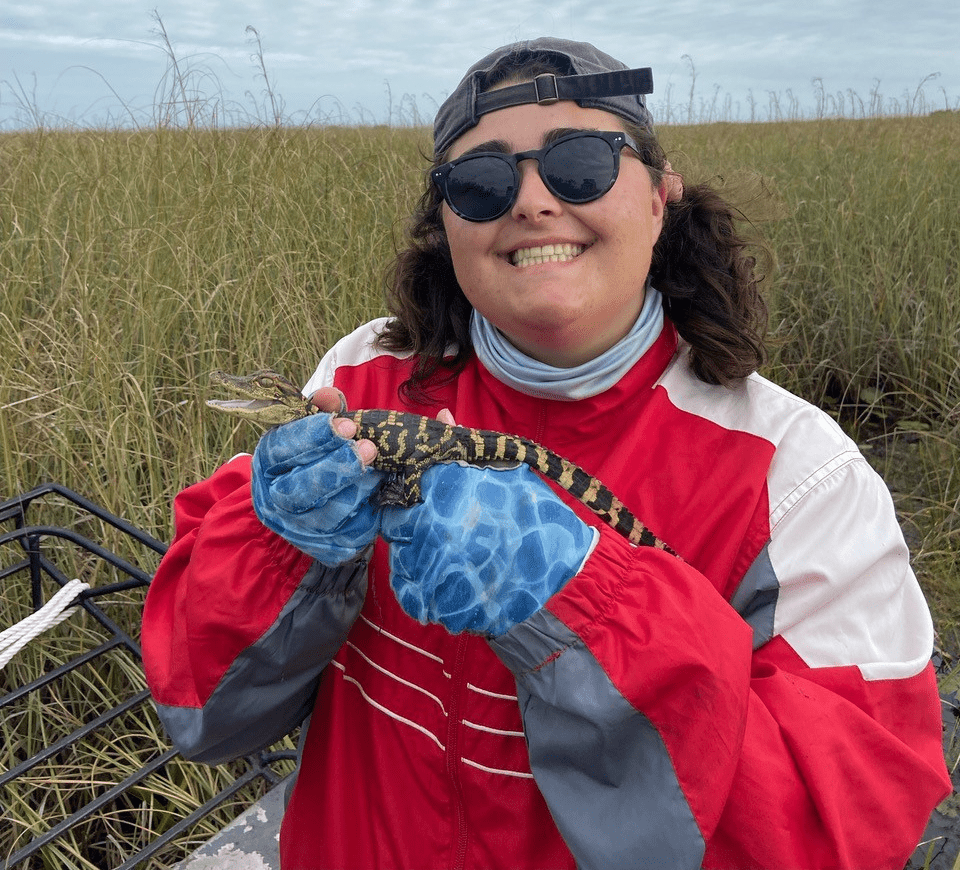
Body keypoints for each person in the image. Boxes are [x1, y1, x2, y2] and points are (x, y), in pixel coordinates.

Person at [142, 37, 950, 870]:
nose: (532, 202)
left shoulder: (799, 477)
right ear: (446, 221)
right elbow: (202, 713)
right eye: (481, 181)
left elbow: (843, 831)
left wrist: (591, 600)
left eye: (581, 164)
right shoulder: (358, 378)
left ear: (659, 198)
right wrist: (279, 546)